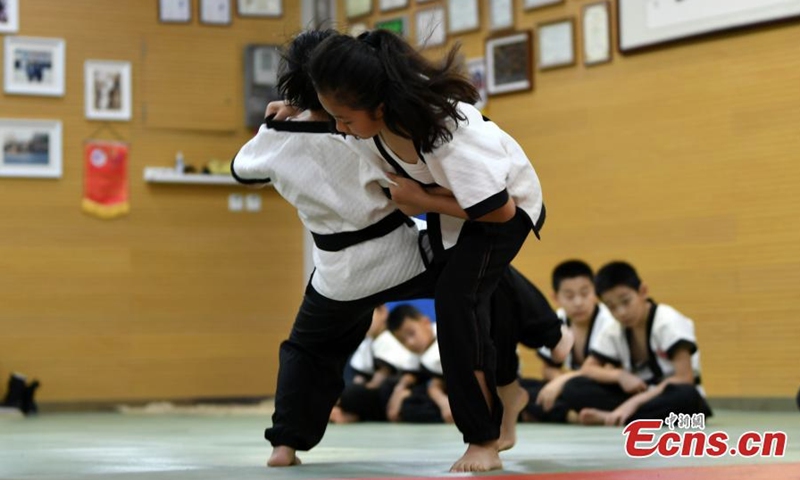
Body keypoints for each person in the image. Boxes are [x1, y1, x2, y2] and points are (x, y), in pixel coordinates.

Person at [236, 29, 567, 470]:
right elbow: (356, 138)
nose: (340, 126)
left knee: (318, 346)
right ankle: (540, 348)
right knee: (483, 286)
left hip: (365, 260)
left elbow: (244, 170)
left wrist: (278, 120)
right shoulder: (358, 128)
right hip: (411, 242)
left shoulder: (294, 133)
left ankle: (286, 445)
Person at [560, 261, 712, 426]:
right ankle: (626, 416)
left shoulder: (668, 322)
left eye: (626, 302)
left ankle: (616, 417)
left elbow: (684, 378)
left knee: (686, 396)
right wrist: (620, 376)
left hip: (670, 394)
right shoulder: (615, 329)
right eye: (611, 307)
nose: (621, 312)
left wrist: (634, 403)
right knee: (574, 388)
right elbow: (588, 369)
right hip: (640, 393)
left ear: (642, 291)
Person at [519, 260, 616, 423]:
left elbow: (610, 369)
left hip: (598, 388)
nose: (578, 302)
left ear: (595, 292)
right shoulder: (556, 320)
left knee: (575, 390)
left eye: (585, 293)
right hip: (571, 388)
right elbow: (548, 368)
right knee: (518, 388)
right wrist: (558, 383)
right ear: (556, 297)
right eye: (569, 296)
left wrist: (563, 382)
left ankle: (547, 412)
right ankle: (571, 415)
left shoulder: (609, 321)